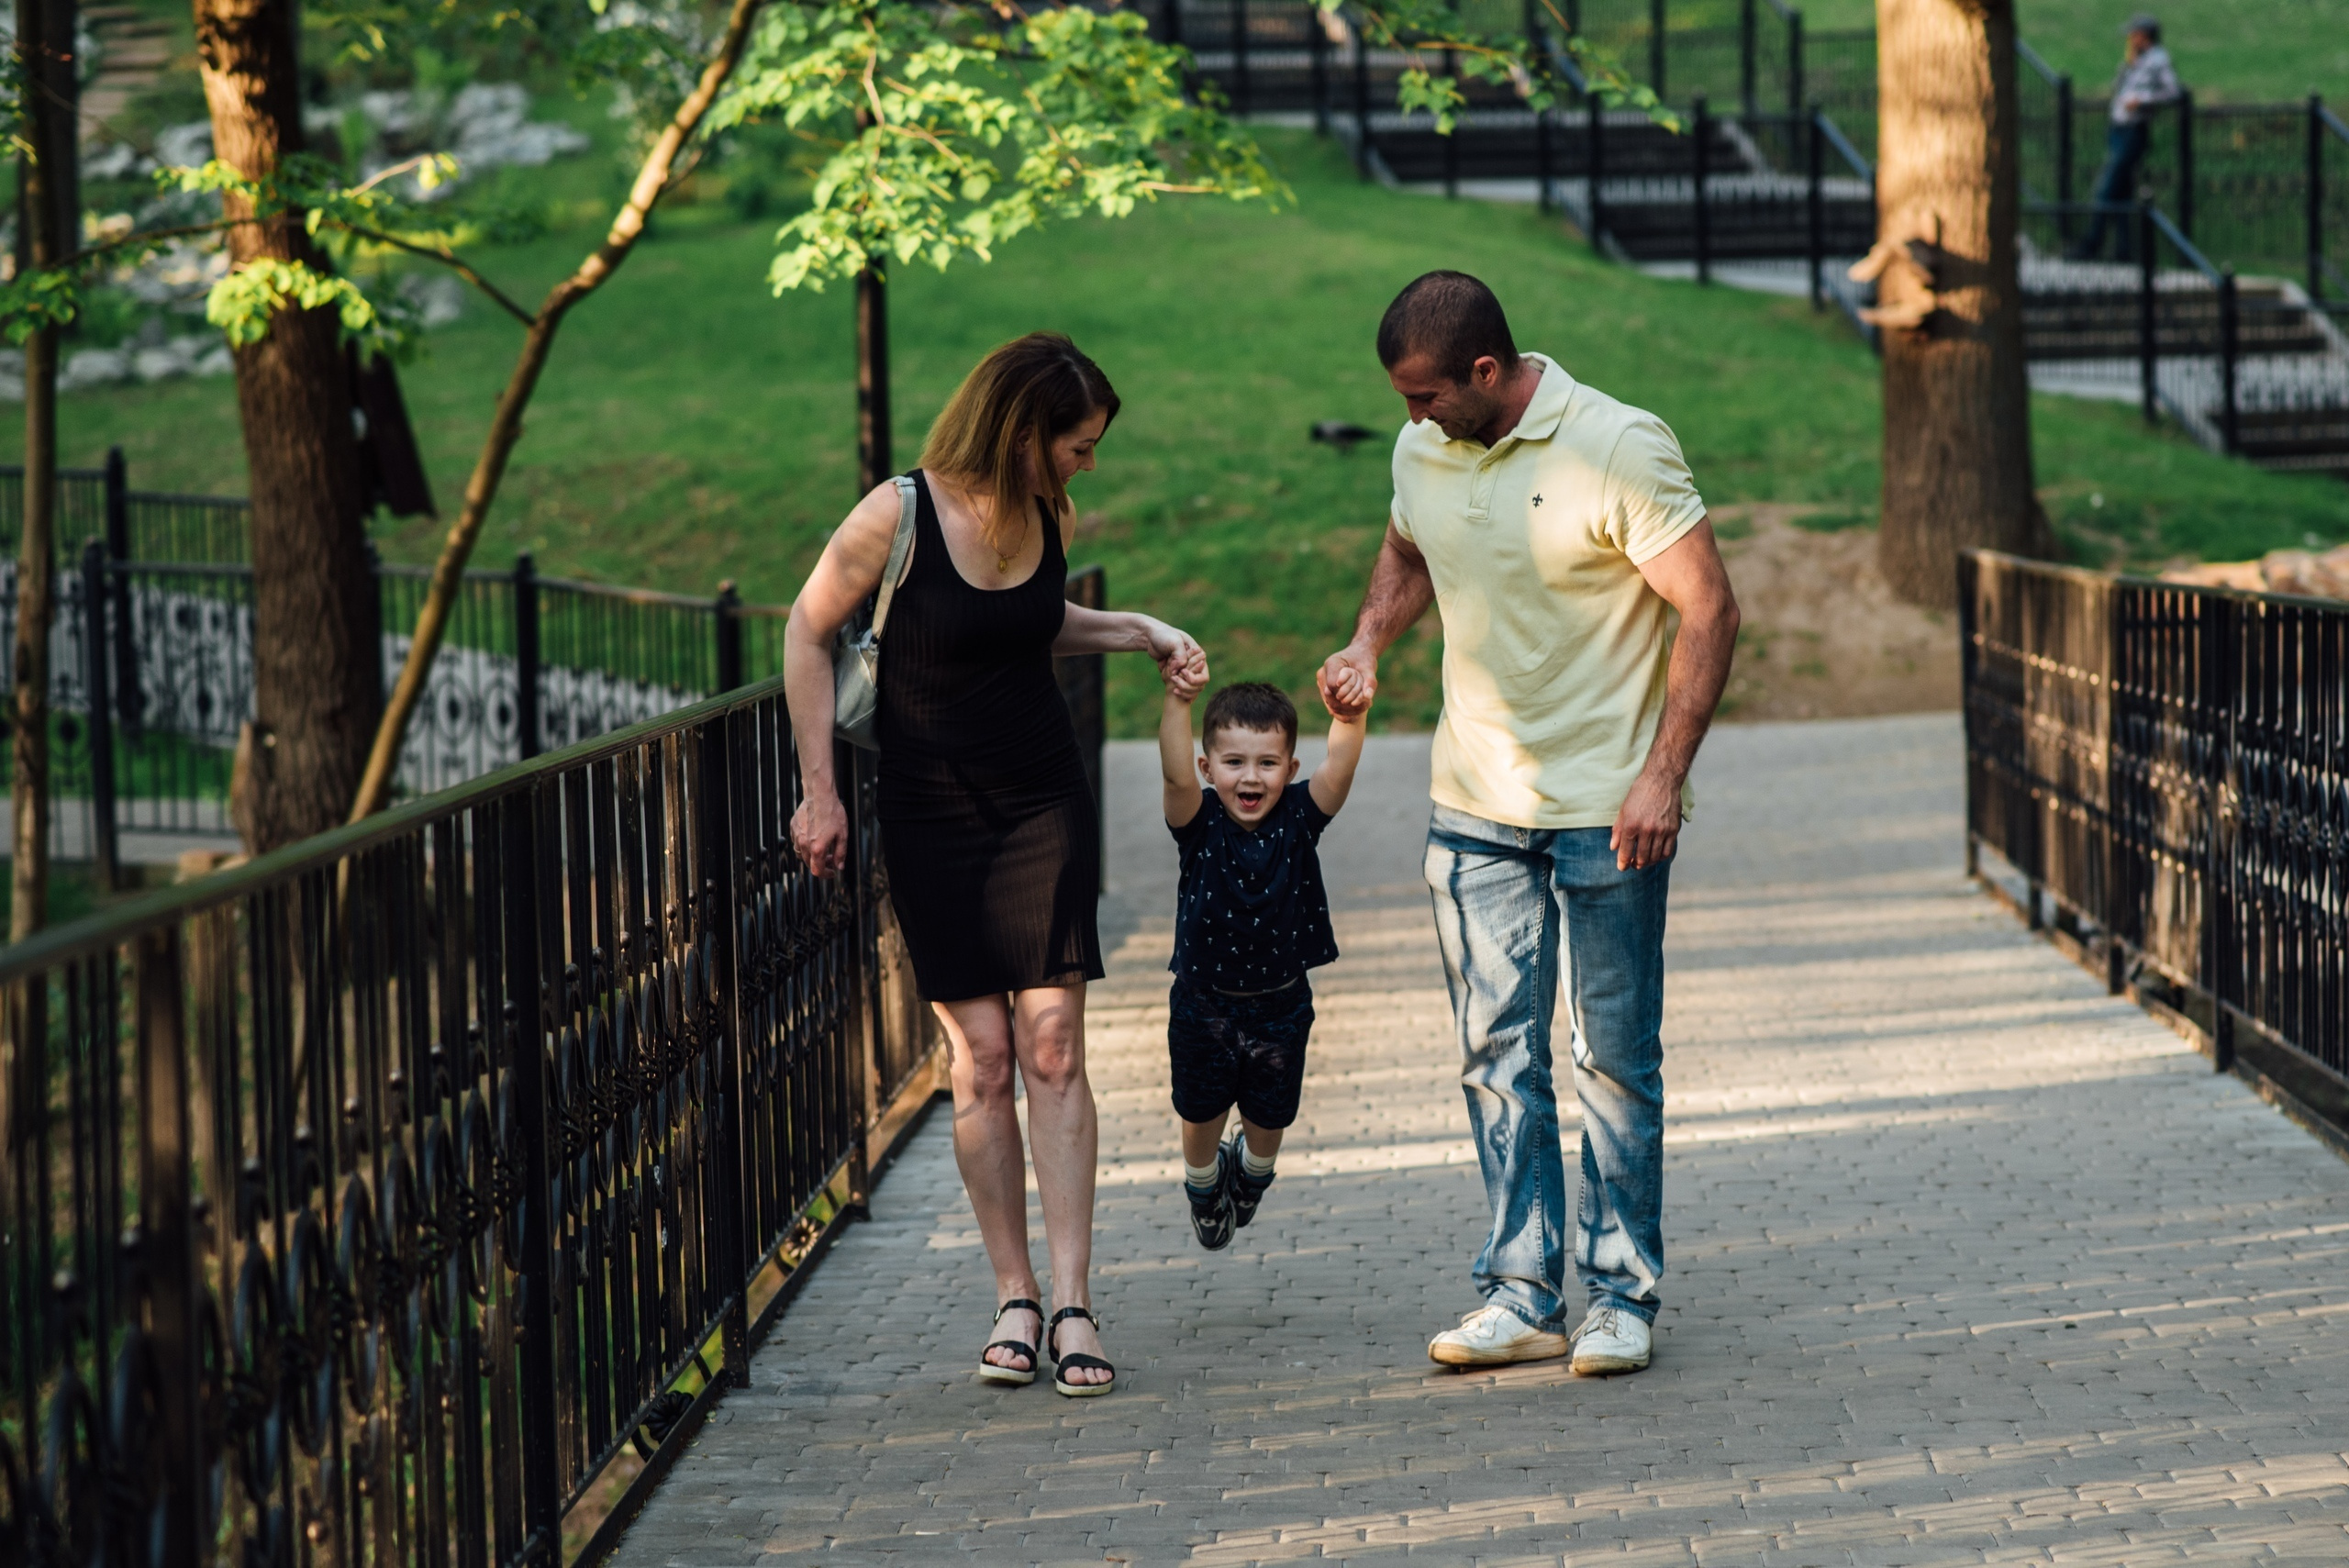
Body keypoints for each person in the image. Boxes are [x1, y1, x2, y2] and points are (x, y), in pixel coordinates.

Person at [1319, 272, 1739, 1376]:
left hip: (1609, 810)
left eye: (1425, 395)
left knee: (1610, 1059)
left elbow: (1710, 606)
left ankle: (1617, 1295)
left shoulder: (1615, 446)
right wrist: (1368, 641)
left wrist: (1662, 775)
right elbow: (1408, 553)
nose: (1409, 417)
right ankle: (1518, 1291)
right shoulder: (1422, 451)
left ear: (1487, 373)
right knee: (1496, 1052)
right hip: (1472, 808)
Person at [785, 332, 1208, 1399]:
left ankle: (1072, 1300)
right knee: (980, 1057)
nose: (1085, 465)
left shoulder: (1044, 511)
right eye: (1076, 445)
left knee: (1053, 1043)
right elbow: (806, 629)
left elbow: (1026, 623)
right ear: (1021, 429)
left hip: (1038, 800)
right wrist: (820, 787)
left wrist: (1135, 628)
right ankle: (1012, 1291)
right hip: (931, 809)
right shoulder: (900, 512)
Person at [1155, 680, 1365, 1251]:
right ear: (1208, 766)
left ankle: (1249, 1175)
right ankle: (1203, 1188)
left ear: (1290, 766)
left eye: (1268, 763)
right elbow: (1174, 776)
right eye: (1234, 762)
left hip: (1280, 1004)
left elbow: (1339, 770)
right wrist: (1177, 700)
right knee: (1200, 1110)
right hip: (1204, 1004)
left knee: (1269, 1120)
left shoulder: (1300, 816)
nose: (1251, 777)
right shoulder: (1197, 822)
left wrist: (1350, 712)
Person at [2071, 14, 2183, 261]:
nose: (2130, 40)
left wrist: (2141, 101)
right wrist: (2129, 64)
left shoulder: (2158, 60)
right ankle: (2124, 252)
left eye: (2134, 35)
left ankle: (2091, 245)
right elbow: (2118, 87)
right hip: (2118, 130)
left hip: (2134, 131)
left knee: (2105, 191)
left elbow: (2173, 92)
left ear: (2145, 36)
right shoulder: (2135, 61)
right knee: (2121, 196)